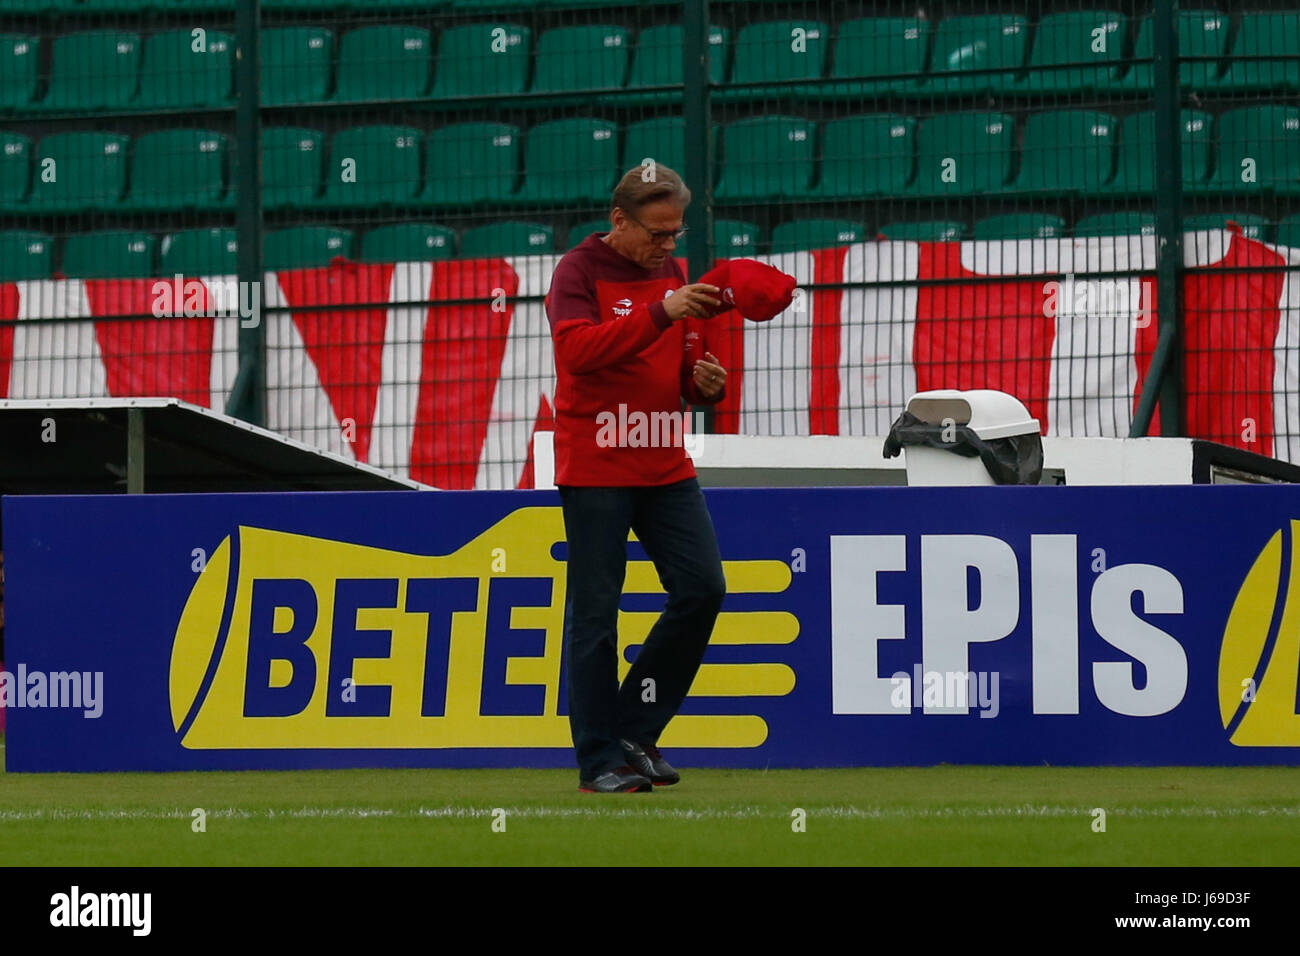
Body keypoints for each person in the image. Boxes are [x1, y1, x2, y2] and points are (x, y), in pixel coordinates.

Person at [545, 164, 728, 793]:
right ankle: (598, 760)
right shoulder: (578, 271)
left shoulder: (669, 275)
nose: (669, 246)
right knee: (597, 614)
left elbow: (669, 363)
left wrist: (697, 385)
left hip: (663, 460)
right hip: (597, 461)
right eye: (657, 233)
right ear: (618, 220)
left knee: (703, 588)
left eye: (675, 232)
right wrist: (661, 311)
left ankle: (634, 729)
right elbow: (575, 352)